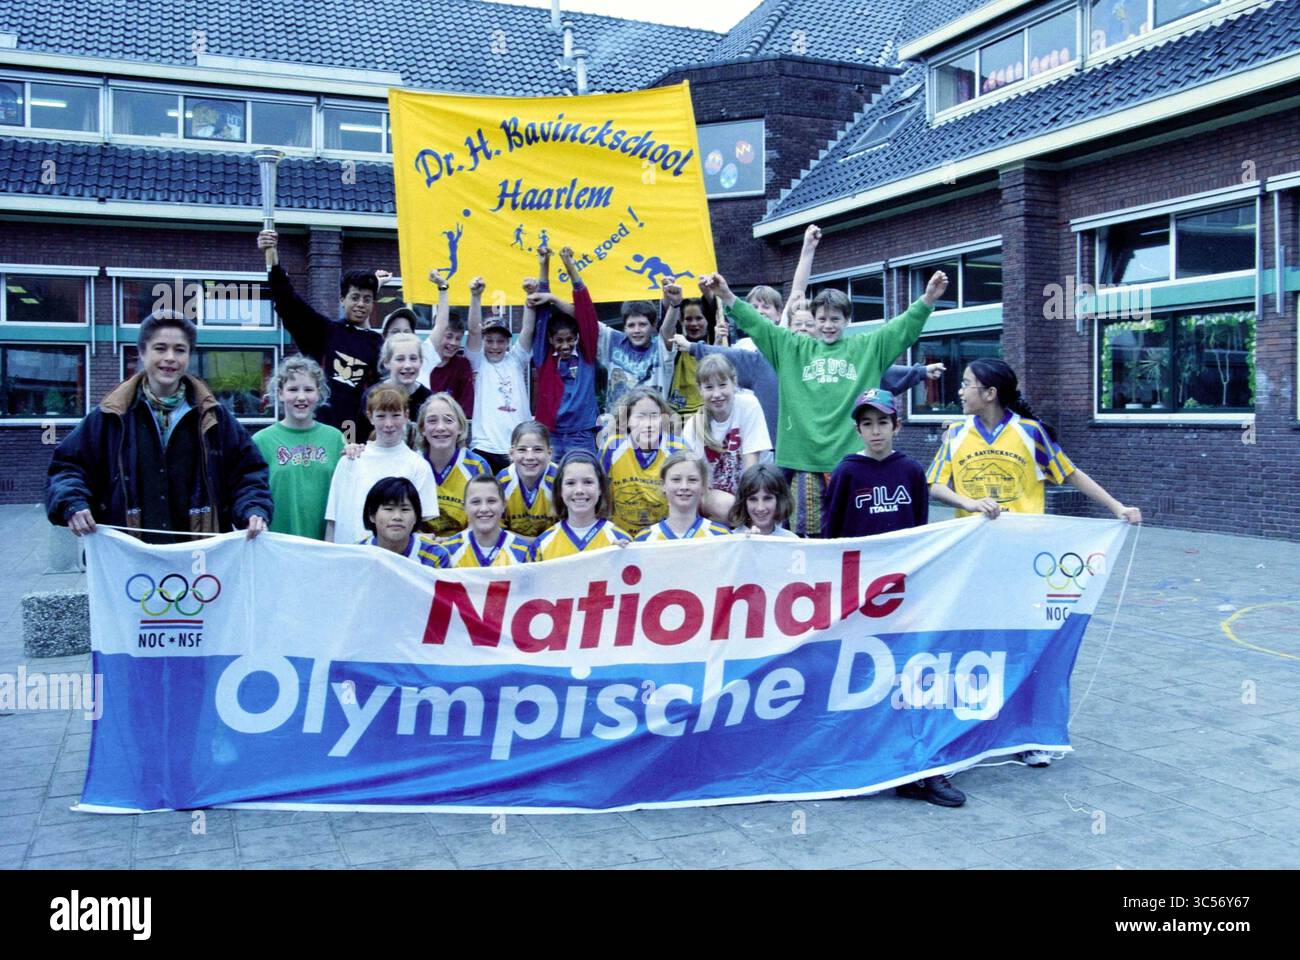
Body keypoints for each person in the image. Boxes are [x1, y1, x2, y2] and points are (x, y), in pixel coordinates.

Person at [927, 358, 1141, 768]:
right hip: (973, 561)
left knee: (1029, 646)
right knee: (976, 646)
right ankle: (969, 731)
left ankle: (1034, 734)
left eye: (967, 384)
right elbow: (934, 483)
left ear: (990, 393)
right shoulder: (955, 434)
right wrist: (967, 502)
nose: (959, 390)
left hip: (1025, 562)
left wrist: (1117, 507)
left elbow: (1070, 472)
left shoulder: (1030, 433)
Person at [704, 267, 949, 537]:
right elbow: (759, 325)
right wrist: (727, 295)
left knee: (856, 531)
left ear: (847, 320)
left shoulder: (867, 347)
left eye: (835, 319)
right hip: (806, 463)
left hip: (856, 461)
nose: (828, 325)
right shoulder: (792, 347)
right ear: (814, 319)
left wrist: (927, 300)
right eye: (821, 319)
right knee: (810, 537)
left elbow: (901, 329)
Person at [46, 310, 272, 543]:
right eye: (160, 348)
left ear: (189, 356)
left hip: (200, 558)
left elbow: (248, 472)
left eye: (180, 350)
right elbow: (67, 467)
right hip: (128, 558)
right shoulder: (109, 416)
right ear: (142, 353)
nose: (170, 357)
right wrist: (72, 503)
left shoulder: (216, 418)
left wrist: (253, 508)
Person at [258, 229, 381, 436]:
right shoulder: (324, 332)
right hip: (318, 437)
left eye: (367, 299)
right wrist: (271, 253)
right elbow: (288, 300)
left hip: (362, 444)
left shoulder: (378, 344)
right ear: (342, 299)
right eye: (355, 297)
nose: (361, 304)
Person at [324, 385, 438, 545]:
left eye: (395, 415)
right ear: (370, 417)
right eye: (381, 416)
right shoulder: (350, 460)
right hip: (349, 557)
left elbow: (423, 525)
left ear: (406, 415)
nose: (389, 423)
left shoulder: (419, 466)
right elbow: (332, 520)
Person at [253, 356, 344, 540]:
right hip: (278, 547)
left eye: (308, 389)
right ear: (280, 393)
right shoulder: (261, 441)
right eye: (293, 389)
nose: (301, 397)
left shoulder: (335, 438)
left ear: (318, 393)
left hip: (325, 547)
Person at [822, 389, 929, 539]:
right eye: (867, 424)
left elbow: (921, 523)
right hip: (860, 559)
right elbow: (832, 525)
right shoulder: (846, 472)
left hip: (902, 558)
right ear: (858, 429)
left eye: (883, 422)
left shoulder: (912, 471)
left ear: (896, 426)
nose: (875, 431)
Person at [530, 245, 601, 457]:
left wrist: (570, 266)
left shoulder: (586, 354)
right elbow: (542, 315)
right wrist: (544, 265)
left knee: (583, 484)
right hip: (552, 435)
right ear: (550, 340)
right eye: (559, 341)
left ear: (577, 338)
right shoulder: (544, 358)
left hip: (582, 434)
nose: (565, 345)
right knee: (552, 487)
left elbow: (586, 313)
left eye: (570, 340)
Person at [466, 275, 536, 476]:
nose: (495, 346)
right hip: (484, 447)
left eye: (500, 341)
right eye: (489, 341)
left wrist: (530, 296)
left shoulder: (516, 360)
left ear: (508, 342)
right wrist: (475, 296)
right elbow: (472, 330)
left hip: (516, 447)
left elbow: (528, 329)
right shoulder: (478, 362)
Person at [600, 387, 691, 537]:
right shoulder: (612, 448)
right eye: (640, 417)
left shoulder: (678, 449)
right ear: (627, 420)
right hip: (621, 538)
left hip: (664, 537)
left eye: (654, 416)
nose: (648, 424)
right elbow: (599, 494)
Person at [681, 354, 772, 498]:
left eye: (722, 385)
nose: (717, 394)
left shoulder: (748, 405)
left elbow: (751, 465)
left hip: (755, 491)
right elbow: (692, 475)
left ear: (734, 382)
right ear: (700, 389)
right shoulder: (692, 426)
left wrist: (742, 506)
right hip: (716, 498)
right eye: (709, 387)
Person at [530, 451, 631, 561]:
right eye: (570, 483)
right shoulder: (542, 544)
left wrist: (622, 556)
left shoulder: (620, 540)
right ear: (560, 490)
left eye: (588, 482)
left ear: (600, 488)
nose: (579, 490)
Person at [416, 392, 491, 536]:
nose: (440, 427)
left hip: (464, 546)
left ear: (461, 427)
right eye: (432, 421)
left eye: (448, 420)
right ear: (422, 429)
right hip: (422, 547)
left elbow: (484, 517)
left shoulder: (477, 466)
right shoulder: (413, 464)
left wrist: (452, 543)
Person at [633, 454, 732, 541]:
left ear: (703, 486)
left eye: (692, 480)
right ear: (663, 484)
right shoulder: (644, 538)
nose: (684, 486)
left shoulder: (721, 535)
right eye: (676, 479)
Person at [438, 475, 532, 566]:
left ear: (504, 505)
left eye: (491, 501)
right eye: (476, 502)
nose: (484, 509)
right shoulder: (448, 551)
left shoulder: (523, 552)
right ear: (464, 507)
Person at [360, 476, 450, 567]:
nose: (397, 517)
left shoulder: (436, 555)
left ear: (416, 516)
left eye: (405, 509)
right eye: (389, 509)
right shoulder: (357, 554)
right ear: (371, 515)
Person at [419, 271, 475, 414]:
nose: (453, 343)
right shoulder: (421, 360)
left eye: (458, 338)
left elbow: (466, 406)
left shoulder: (462, 365)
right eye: (449, 336)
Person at [597, 299, 666, 414]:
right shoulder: (612, 340)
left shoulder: (661, 347)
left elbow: (669, 329)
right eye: (631, 325)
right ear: (624, 327)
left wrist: (674, 304)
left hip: (650, 422)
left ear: (654, 325)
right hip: (617, 423)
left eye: (642, 324)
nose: (637, 330)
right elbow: (584, 317)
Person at [358, 332, 431, 437]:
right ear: (387, 362)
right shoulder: (372, 396)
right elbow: (360, 436)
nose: (408, 365)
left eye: (413, 358)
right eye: (400, 359)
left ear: (421, 362)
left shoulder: (428, 400)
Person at [659, 287, 717, 417]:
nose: (694, 323)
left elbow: (715, 312)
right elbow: (667, 328)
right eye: (688, 319)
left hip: (711, 413)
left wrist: (708, 290)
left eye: (699, 318)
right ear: (681, 321)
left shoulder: (715, 341)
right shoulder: (677, 344)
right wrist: (672, 301)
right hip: (680, 417)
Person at [497, 420, 559, 539]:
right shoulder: (503, 481)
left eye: (538, 449)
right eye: (522, 450)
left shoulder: (560, 480)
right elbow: (496, 531)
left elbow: (568, 530)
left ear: (549, 453)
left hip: (552, 550)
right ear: (511, 453)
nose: (529, 457)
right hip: (512, 549)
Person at [730, 463, 798, 538]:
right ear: (744, 503)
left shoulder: (791, 540)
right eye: (753, 499)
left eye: (767, 499)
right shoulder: (731, 540)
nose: (760, 508)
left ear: (780, 500)